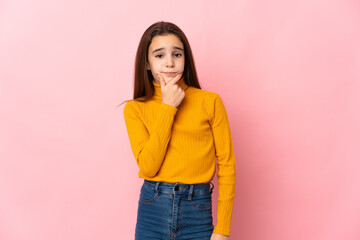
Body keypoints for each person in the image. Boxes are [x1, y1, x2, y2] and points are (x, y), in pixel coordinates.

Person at [120, 21, 236, 240]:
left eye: (177, 54)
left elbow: (227, 165)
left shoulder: (209, 102)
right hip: (153, 209)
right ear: (147, 63)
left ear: (186, 59)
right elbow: (148, 165)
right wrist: (168, 107)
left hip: (198, 210)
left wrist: (223, 229)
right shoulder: (135, 109)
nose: (170, 63)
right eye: (159, 55)